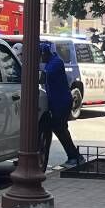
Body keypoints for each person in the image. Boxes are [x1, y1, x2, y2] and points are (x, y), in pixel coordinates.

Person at [42, 42, 82, 170]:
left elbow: (45, 75)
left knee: (60, 129)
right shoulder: (52, 61)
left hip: (61, 102)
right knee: (60, 129)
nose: (40, 59)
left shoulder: (55, 62)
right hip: (58, 101)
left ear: (45, 54)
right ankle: (74, 156)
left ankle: (74, 156)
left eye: (41, 56)